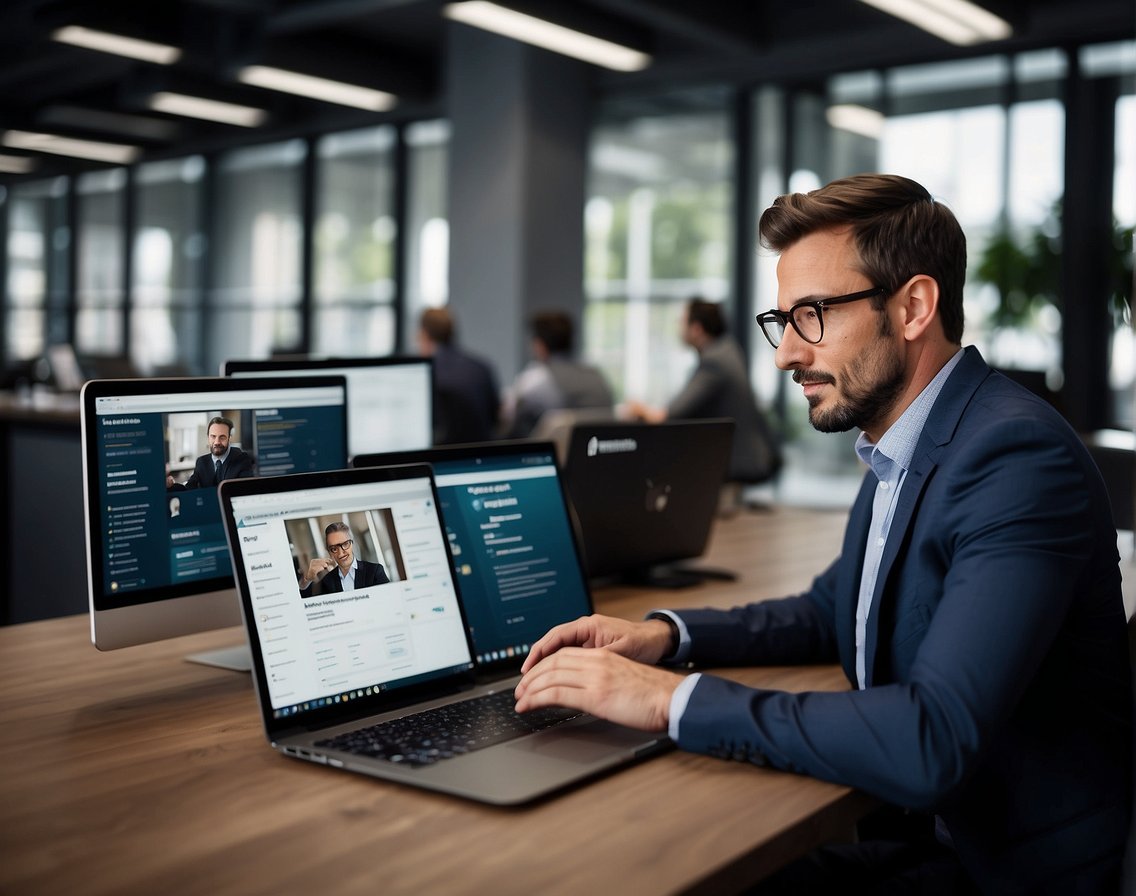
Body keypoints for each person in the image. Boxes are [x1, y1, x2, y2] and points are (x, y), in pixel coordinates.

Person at [514, 174, 1133, 894]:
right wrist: (664, 636)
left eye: (812, 315)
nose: (785, 355)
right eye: (782, 320)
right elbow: (830, 611)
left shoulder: (1015, 458)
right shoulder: (908, 442)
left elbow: (929, 737)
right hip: (931, 835)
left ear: (913, 307)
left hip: (1000, 870)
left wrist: (664, 701)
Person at [626, 297, 782, 486]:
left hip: (737, 462)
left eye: (682, 322)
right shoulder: (728, 350)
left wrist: (638, 409)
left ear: (696, 328)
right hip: (751, 454)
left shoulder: (714, 362)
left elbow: (669, 416)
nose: (679, 328)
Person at [503, 309, 614, 438]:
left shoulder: (535, 380)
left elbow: (511, 425)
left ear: (539, 345)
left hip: (551, 456)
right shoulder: (596, 375)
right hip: (597, 454)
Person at [417, 307, 501, 444]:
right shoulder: (482, 367)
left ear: (424, 335)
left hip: (441, 457)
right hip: (482, 454)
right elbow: (495, 419)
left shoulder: (427, 376)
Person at [299, 522, 389, 597]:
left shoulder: (375, 571)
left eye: (345, 544)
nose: (341, 553)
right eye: (334, 549)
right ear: (329, 552)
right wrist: (308, 578)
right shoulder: (327, 581)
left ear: (352, 543)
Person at [166, 416, 254, 490]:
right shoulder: (202, 462)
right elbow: (189, 489)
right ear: (208, 437)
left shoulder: (242, 459)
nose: (217, 442)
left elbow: (246, 490)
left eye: (222, 437)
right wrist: (171, 486)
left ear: (229, 438)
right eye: (213, 436)